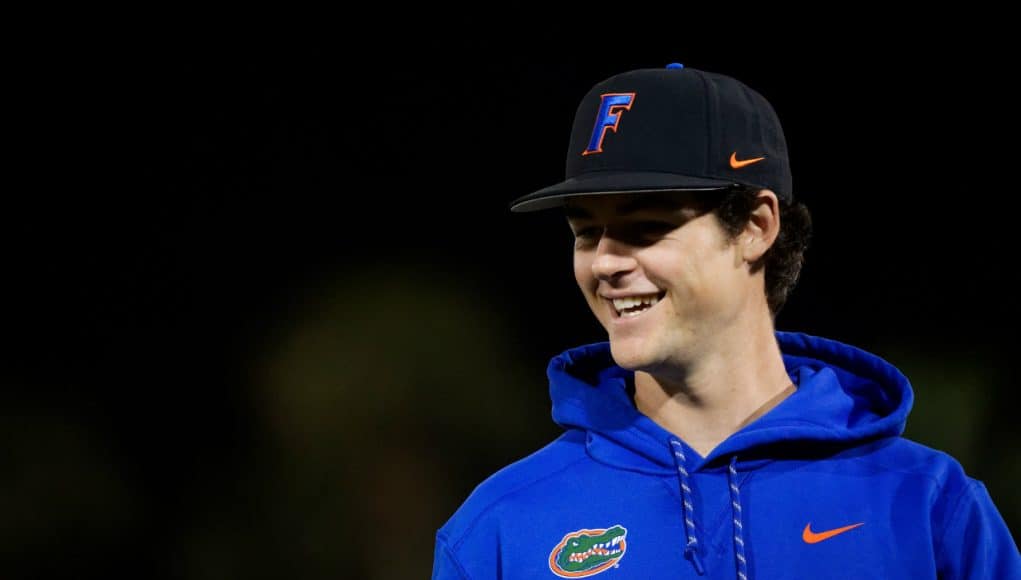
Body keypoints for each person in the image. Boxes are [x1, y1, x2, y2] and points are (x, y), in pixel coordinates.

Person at [431, 64, 1020, 579]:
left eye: (645, 228)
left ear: (756, 227)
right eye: (586, 232)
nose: (606, 262)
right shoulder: (500, 528)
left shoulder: (928, 506)